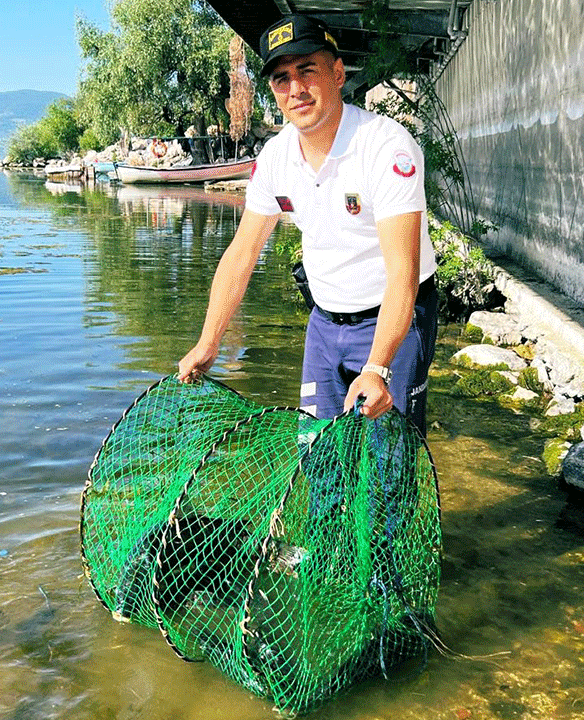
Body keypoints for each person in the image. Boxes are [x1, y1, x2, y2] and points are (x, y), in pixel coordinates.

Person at [177, 14, 438, 434]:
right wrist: (209, 341)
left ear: (338, 74)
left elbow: (402, 272)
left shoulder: (385, 147)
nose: (295, 88)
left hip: (395, 318)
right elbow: (242, 253)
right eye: (282, 78)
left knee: (389, 459)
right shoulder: (275, 158)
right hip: (325, 322)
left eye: (307, 70)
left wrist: (377, 368)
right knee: (317, 453)